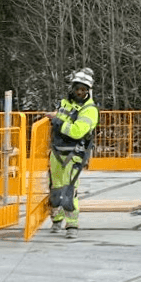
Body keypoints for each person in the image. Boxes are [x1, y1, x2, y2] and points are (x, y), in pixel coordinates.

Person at [46, 68, 99, 238]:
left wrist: (57, 120)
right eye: (77, 88)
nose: (79, 92)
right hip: (56, 151)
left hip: (74, 153)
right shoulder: (64, 103)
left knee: (69, 190)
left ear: (88, 91)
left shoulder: (90, 110)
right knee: (55, 189)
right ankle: (56, 219)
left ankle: (72, 225)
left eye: (83, 89)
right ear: (72, 88)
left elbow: (77, 131)